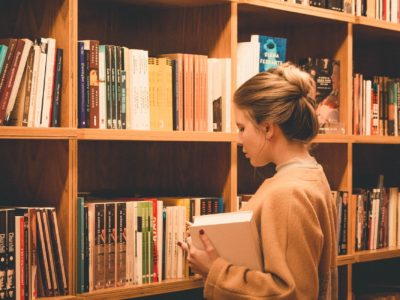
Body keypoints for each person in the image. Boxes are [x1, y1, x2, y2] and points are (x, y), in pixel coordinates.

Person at [178, 62, 338, 299]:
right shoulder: (312, 174)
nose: (239, 139)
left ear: (267, 128)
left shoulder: (289, 193)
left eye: (242, 128)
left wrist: (215, 271)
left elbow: (291, 292)